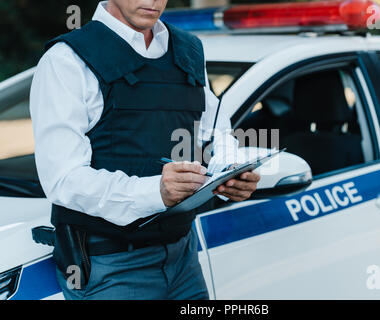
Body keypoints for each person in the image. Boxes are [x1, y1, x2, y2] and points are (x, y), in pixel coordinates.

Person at [30, 0, 260, 300]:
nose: (152, 1)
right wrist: (156, 192)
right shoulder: (67, 60)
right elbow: (63, 179)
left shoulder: (188, 49)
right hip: (110, 267)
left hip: (184, 256)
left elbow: (214, 129)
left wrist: (230, 169)